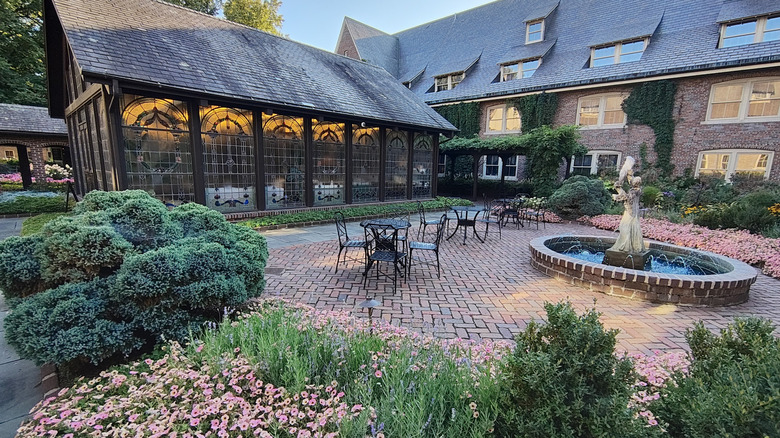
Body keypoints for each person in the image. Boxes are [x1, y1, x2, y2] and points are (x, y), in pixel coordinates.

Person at [609, 159, 645, 254]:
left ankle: (625, 246)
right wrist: (629, 172)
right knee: (631, 227)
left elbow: (627, 199)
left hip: (630, 212)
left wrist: (618, 191)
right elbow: (631, 180)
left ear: (635, 183)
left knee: (624, 227)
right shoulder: (638, 189)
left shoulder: (634, 191)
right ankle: (634, 246)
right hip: (634, 211)